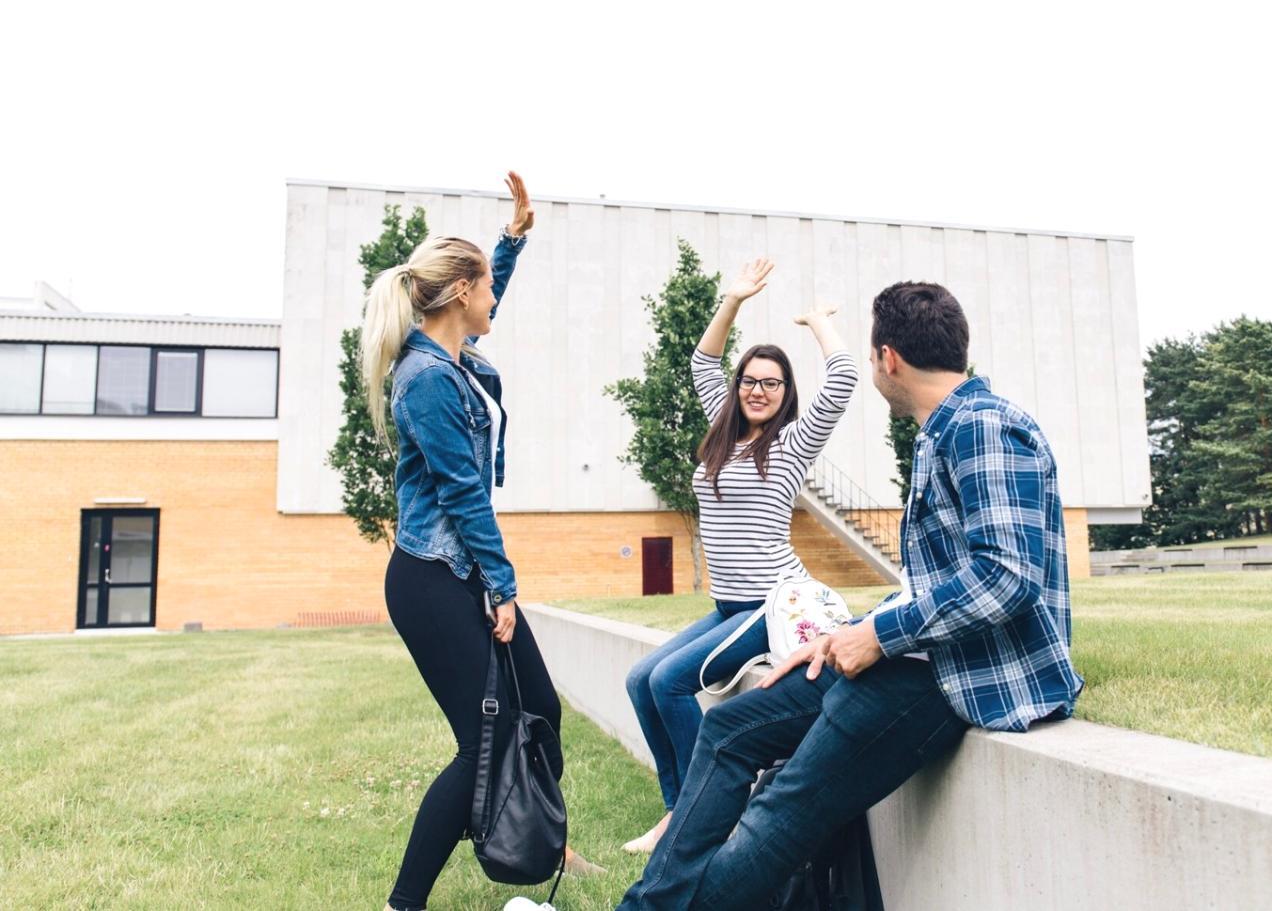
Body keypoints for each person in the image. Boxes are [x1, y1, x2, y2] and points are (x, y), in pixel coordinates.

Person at [617, 281, 1084, 909]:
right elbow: (938, 586)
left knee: (785, 806)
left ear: (888, 358)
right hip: (923, 654)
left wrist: (879, 636)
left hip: (961, 676)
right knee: (729, 727)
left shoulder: (984, 427)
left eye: (870, 357)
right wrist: (847, 635)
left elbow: (1006, 578)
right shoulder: (946, 431)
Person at [362, 173, 593, 911]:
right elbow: (462, 494)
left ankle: (539, 839)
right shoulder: (425, 379)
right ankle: (404, 902)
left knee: (541, 713)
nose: (494, 296)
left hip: (458, 569)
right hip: (434, 577)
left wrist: (512, 240)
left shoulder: (455, 355)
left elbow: (488, 298)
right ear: (460, 291)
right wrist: (501, 585)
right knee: (481, 742)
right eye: (486, 284)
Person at [622, 257, 859, 854]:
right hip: (728, 605)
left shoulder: (793, 444)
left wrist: (817, 322)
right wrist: (733, 300)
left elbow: (846, 377)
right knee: (638, 680)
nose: (758, 390)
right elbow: (703, 361)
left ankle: (705, 812)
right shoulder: (722, 434)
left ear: (785, 394)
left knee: (672, 683)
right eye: (750, 380)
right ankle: (677, 810)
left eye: (771, 383)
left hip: (768, 602)